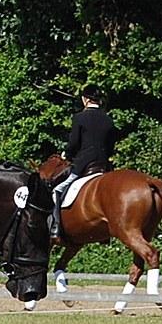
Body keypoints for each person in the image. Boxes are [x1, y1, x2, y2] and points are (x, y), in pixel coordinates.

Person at [51, 84, 117, 239]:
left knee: (57, 190)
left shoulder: (79, 117)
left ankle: (55, 227)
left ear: (85, 99)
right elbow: (110, 146)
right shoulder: (108, 120)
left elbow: (74, 143)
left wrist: (67, 155)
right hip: (102, 166)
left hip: (83, 165)